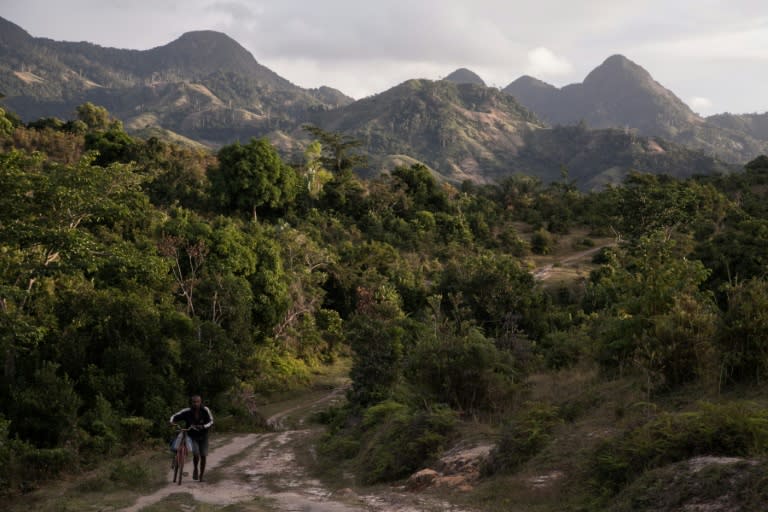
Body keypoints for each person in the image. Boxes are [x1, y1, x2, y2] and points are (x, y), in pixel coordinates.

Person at [169, 395, 214, 481]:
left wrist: (203, 426)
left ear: (200, 402)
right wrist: (171, 421)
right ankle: (195, 469)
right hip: (192, 436)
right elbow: (175, 416)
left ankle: (201, 476)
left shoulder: (205, 410)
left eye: (198, 402)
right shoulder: (187, 411)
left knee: (203, 455)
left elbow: (211, 421)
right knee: (196, 454)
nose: (196, 404)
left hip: (203, 436)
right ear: (191, 403)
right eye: (194, 402)